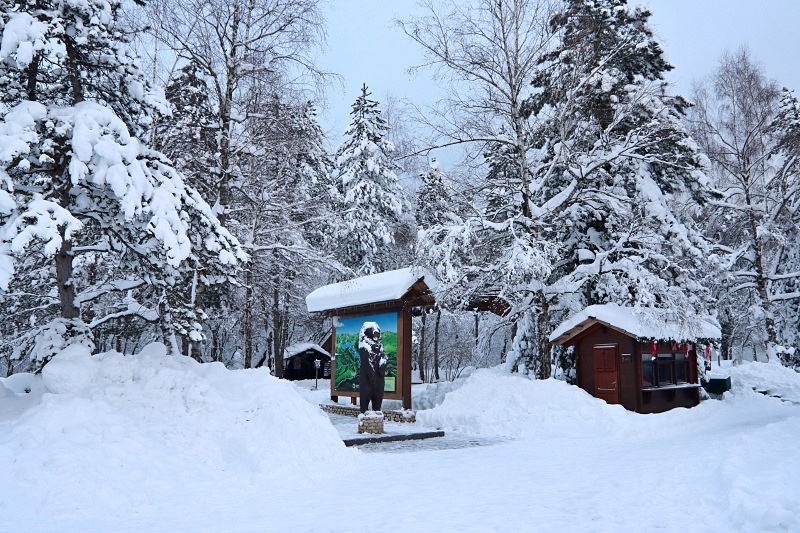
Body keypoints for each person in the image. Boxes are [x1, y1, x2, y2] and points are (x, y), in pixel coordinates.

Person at [357, 322, 387, 413]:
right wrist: (371, 374)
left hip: (378, 380)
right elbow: (366, 362)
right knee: (365, 401)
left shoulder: (380, 346)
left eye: (377, 334)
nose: (376, 336)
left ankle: (377, 416)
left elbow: (385, 357)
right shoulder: (364, 345)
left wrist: (383, 365)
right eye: (374, 333)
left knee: (377, 402)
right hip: (367, 380)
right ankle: (364, 418)